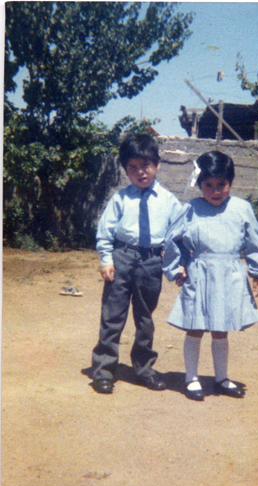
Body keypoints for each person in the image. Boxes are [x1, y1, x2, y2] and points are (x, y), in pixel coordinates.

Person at [163, 150, 258, 401]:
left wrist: (257, 271)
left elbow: (254, 241)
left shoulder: (242, 208)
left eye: (221, 184)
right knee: (196, 326)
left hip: (230, 275)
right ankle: (191, 379)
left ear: (230, 182)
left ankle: (221, 377)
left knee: (222, 329)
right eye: (208, 185)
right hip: (200, 274)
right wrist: (179, 265)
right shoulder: (190, 209)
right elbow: (172, 239)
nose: (215, 190)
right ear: (199, 185)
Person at [91, 133, 182, 394]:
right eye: (133, 168)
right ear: (125, 170)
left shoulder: (168, 201)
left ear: (158, 164)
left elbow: (178, 235)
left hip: (152, 260)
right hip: (122, 258)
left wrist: (178, 265)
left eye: (146, 165)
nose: (140, 172)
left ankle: (144, 369)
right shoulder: (120, 199)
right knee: (112, 315)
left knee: (145, 318)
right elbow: (105, 231)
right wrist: (106, 260)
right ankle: (104, 370)